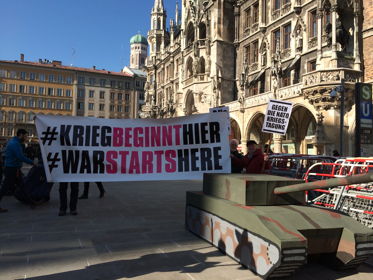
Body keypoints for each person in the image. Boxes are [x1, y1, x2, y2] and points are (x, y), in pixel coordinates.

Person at [0, 129, 35, 213]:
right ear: (21, 135)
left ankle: (30, 202)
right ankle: (30, 202)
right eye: (26, 135)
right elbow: (20, 157)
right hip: (11, 169)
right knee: (5, 188)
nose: (26, 137)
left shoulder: (14, 142)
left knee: (22, 185)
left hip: (15, 168)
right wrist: (33, 162)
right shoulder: (15, 144)